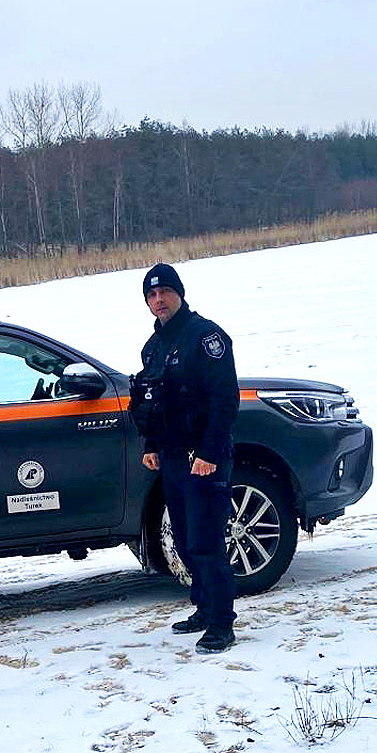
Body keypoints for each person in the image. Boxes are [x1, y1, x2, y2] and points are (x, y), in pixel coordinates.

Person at [130, 263, 240, 653]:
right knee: (185, 539)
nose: (158, 301)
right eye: (151, 296)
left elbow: (225, 400)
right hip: (173, 458)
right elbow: (152, 402)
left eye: (164, 293)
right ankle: (204, 606)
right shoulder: (154, 346)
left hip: (203, 457)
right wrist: (150, 446)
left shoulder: (206, 338)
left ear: (179, 293)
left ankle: (222, 622)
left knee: (207, 542)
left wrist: (210, 453)